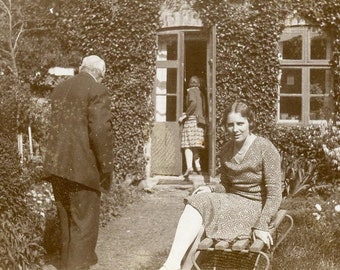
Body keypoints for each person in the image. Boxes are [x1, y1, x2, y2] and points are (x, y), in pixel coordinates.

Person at [160, 100, 282, 270]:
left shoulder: (265, 148)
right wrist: (211, 188)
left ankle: (176, 266)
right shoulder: (226, 150)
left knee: (202, 217)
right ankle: (172, 265)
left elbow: (275, 193)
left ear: (250, 123)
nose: (235, 129)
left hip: (255, 206)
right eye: (230, 125)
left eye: (240, 124)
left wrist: (262, 225)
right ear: (225, 126)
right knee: (199, 200)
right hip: (233, 201)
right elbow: (225, 184)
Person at [43, 55, 114, 270]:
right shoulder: (96, 90)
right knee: (83, 224)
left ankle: (66, 265)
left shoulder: (60, 88)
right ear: (99, 74)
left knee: (66, 222)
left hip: (58, 167)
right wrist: (106, 167)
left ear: (83, 68)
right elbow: (101, 132)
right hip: (83, 169)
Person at [178, 75, 206, 178]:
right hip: (200, 122)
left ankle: (189, 167)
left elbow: (193, 103)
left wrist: (185, 114)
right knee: (197, 144)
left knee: (187, 144)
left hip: (191, 121)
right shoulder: (201, 93)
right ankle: (198, 167)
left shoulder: (191, 91)